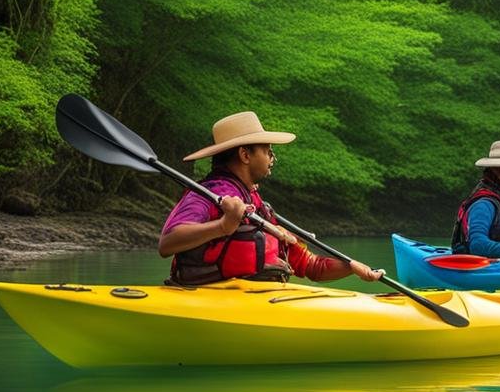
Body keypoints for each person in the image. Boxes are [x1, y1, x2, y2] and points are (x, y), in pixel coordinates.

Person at [159, 111, 384, 286]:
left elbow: (310, 266)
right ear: (245, 155)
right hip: (207, 299)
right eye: (267, 150)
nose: (272, 157)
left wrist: (351, 267)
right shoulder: (211, 193)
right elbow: (167, 243)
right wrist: (223, 226)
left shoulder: (255, 201)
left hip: (253, 298)